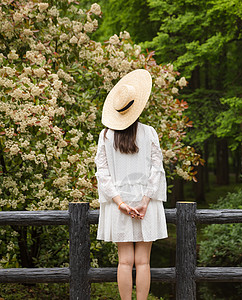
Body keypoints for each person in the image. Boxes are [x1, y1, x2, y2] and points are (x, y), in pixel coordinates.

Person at [95, 69, 168, 300]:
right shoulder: (149, 133)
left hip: (119, 204)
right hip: (147, 203)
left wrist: (120, 202)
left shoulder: (106, 136)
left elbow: (102, 173)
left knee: (124, 261)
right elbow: (157, 169)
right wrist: (145, 200)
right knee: (143, 261)